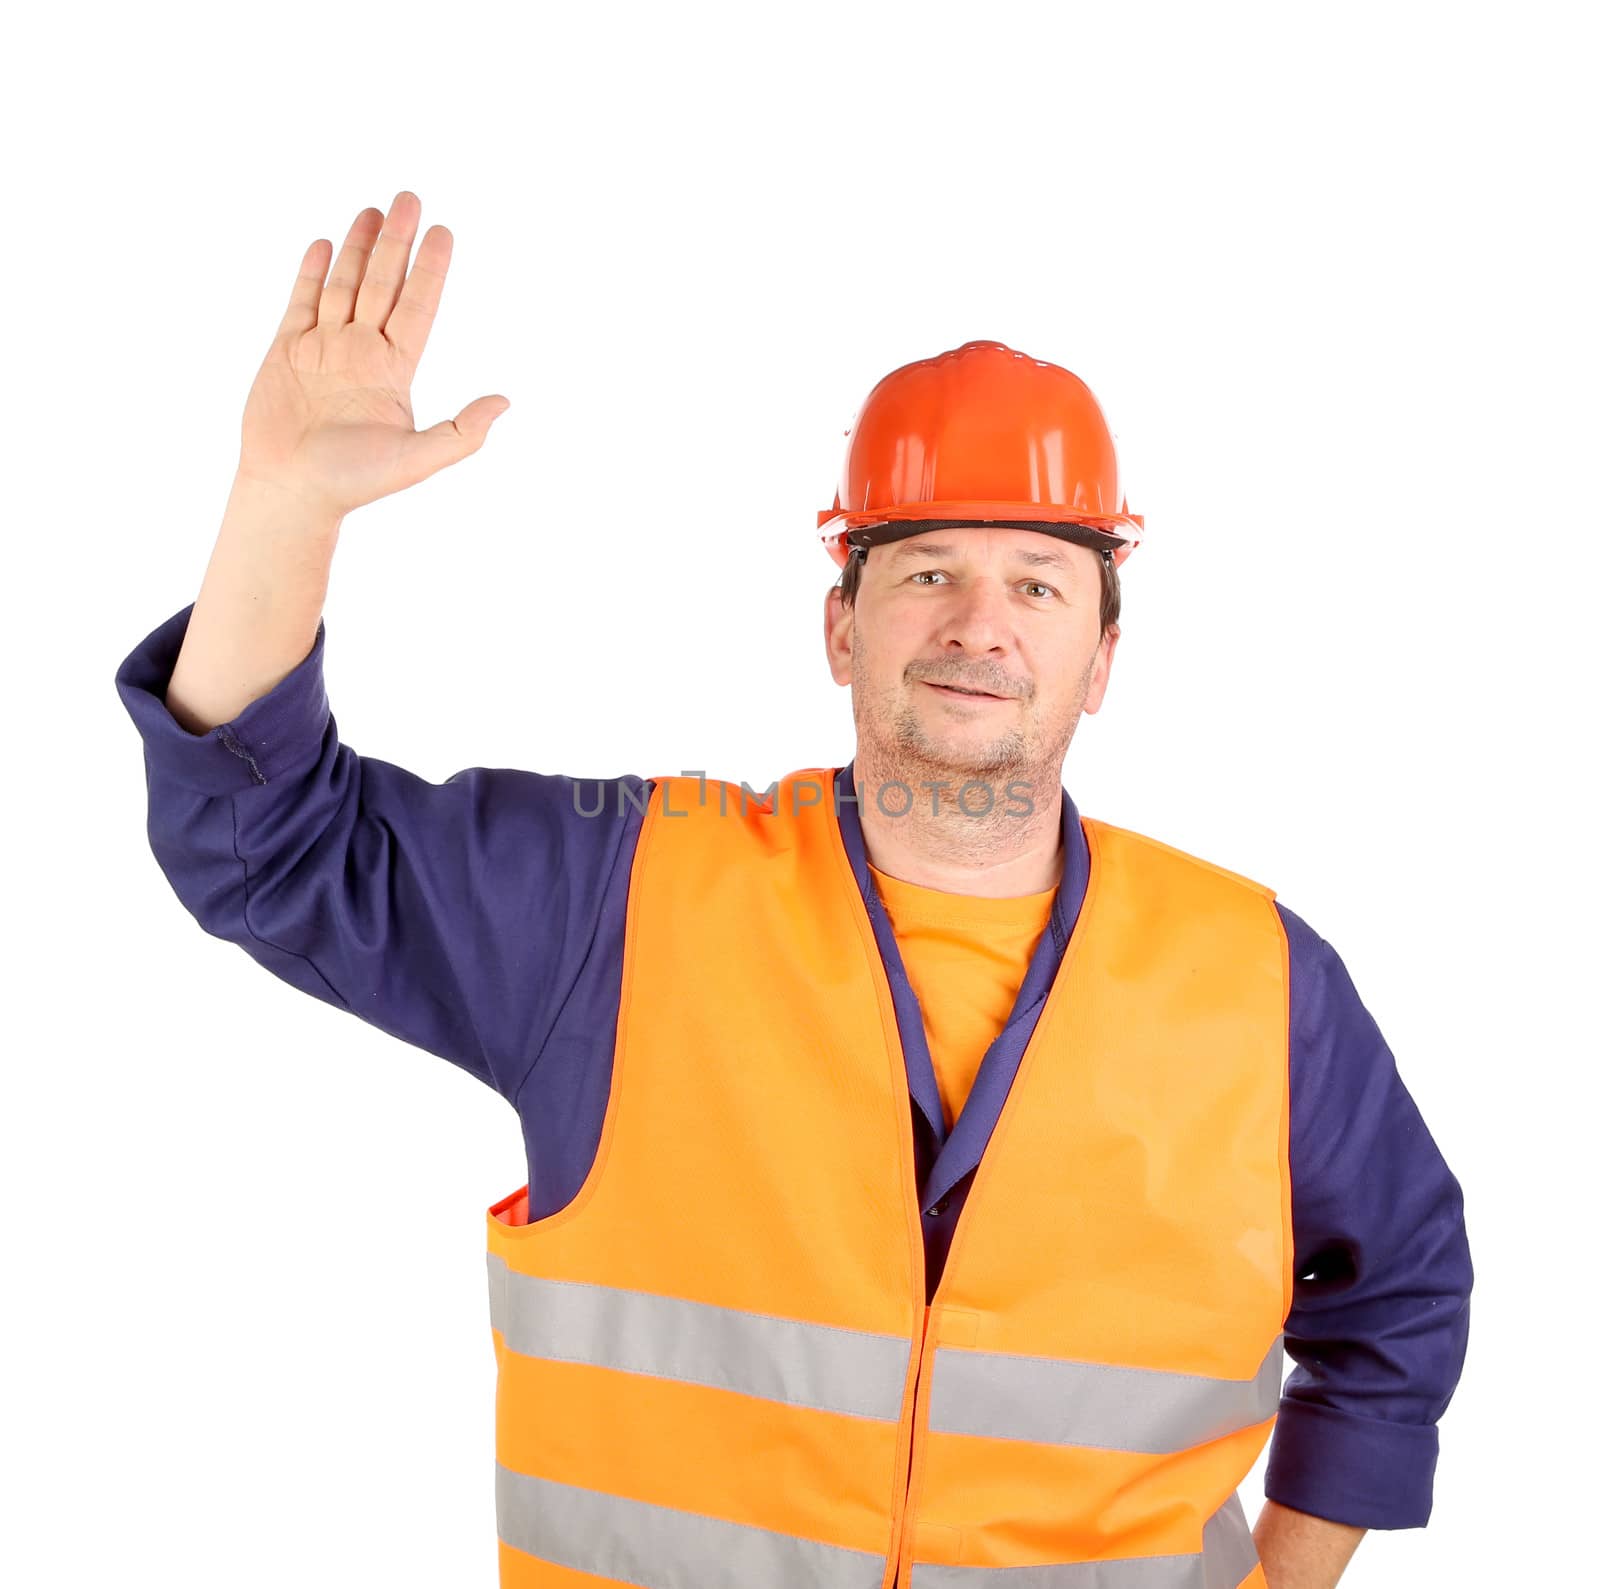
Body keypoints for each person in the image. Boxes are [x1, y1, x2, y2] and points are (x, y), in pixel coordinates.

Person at [115, 190, 1472, 1589]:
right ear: (840, 626)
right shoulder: (619, 902)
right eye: (928, 569)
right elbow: (267, 844)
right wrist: (285, 504)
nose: (979, 624)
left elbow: (1404, 1295)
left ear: (1104, 660)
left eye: (1039, 585)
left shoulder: (1258, 978)